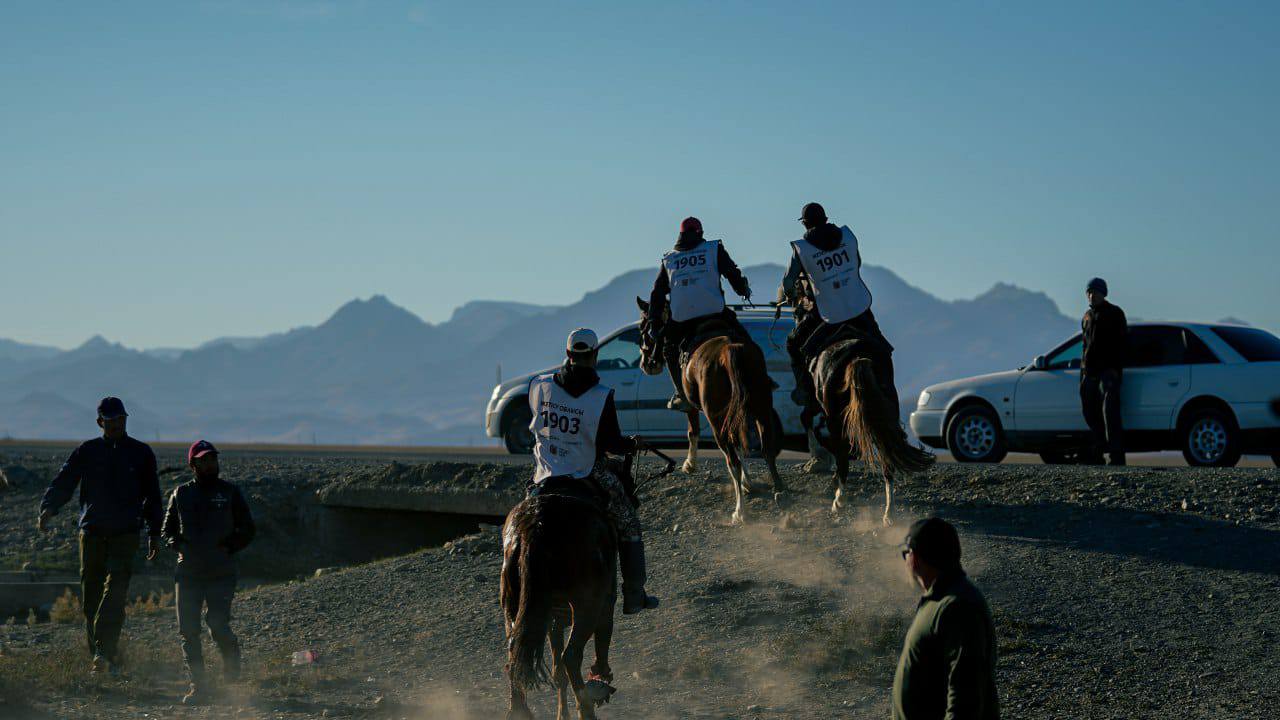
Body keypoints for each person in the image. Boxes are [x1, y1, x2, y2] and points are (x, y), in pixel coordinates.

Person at [528, 328, 659, 614]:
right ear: (595, 356)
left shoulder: (540, 385)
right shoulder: (600, 396)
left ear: (568, 355)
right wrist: (631, 444)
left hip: (546, 473)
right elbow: (611, 443)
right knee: (628, 521)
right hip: (586, 471)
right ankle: (635, 593)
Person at [37, 397, 162, 675]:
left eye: (121, 419)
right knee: (91, 597)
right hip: (91, 532)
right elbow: (65, 480)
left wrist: (155, 532)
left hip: (125, 533)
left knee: (115, 592)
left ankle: (104, 653)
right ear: (100, 422)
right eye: (111, 420)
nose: (117, 423)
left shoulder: (141, 453)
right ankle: (102, 658)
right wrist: (49, 508)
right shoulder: (88, 451)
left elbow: (153, 496)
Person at [778, 202, 898, 415]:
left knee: (794, 343)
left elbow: (788, 283)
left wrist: (791, 296)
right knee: (882, 350)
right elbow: (856, 263)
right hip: (858, 308)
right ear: (825, 218)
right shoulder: (847, 237)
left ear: (805, 224)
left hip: (826, 314)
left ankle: (806, 393)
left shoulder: (801, 249)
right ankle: (890, 402)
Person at [162, 440, 256, 705]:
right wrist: (178, 546)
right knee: (188, 631)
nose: (209, 463)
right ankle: (199, 686)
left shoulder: (230, 493)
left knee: (217, 625)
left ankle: (231, 677)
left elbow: (248, 528)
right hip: (188, 573)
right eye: (203, 460)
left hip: (221, 572)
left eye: (212, 459)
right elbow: (166, 531)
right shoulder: (180, 494)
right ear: (193, 465)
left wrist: (228, 547)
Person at [893, 517, 999, 720]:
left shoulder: (957, 606)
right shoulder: (942, 599)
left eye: (905, 554)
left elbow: (965, 695)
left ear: (914, 558)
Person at [647, 216, 754, 411]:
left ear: (680, 235)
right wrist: (742, 290)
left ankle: (682, 395)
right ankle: (761, 378)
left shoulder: (669, 258)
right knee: (744, 339)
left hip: (682, 319)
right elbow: (732, 273)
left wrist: (654, 322)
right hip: (715, 313)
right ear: (700, 233)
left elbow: (657, 293)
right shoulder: (713, 249)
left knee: (669, 350)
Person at [1080, 277, 1128, 466]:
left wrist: (1115, 370)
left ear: (1104, 294)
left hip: (1108, 372)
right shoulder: (1086, 316)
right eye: (1089, 292)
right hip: (1088, 373)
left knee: (1110, 413)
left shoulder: (1114, 313)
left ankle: (1116, 456)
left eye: (1096, 292)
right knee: (1090, 413)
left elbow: (1122, 344)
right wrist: (1082, 372)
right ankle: (1097, 453)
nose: (1092, 295)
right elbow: (1085, 346)